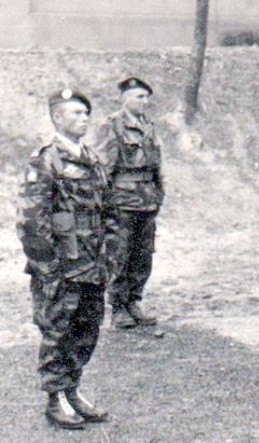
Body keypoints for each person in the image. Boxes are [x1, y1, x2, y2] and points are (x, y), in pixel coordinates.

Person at [16, 88, 111, 429]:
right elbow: (31, 219)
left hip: (91, 264)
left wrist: (108, 257)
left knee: (87, 329)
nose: (83, 118)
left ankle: (73, 390)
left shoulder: (91, 158)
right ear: (57, 117)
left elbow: (106, 212)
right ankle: (55, 398)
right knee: (58, 330)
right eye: (74, 113)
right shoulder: (46, 159)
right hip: (60, 266)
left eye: (85, 113)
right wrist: (48, 268)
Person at [95, 77, 164, 329]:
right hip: (122, 201)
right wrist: (105, 202)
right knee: (119, 254)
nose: (145, 102)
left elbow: (156, 165)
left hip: (146, 200)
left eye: (147, 97)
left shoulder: (148, 125)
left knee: (143, 254)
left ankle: (134, 300)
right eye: (139, 96)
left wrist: (158, 195)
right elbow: (103, 167)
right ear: (125, 99)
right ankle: (118, 307)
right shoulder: (112, 125)